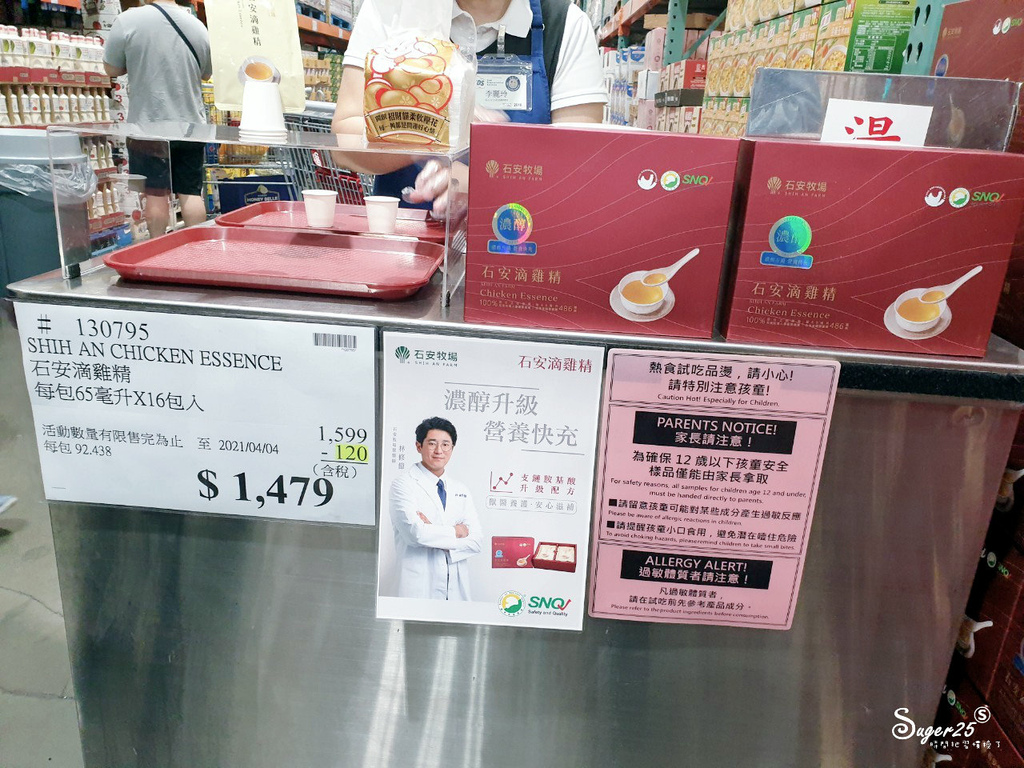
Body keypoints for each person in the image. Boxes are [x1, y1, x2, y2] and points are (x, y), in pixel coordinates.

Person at [332, 0, 608, 212]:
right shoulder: (390, 9)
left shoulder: (565, 24)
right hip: (405, 244)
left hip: (516, 245)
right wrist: (447, 128)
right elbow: (343, 142)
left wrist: (488, 184)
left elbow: (579, 172)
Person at [103, 0, 213, 237]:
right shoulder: (197, 26)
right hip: (191, 127)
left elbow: (111, 69)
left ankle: (157, 248)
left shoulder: (128, 20)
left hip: (148, 126)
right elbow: (206, 73)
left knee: (155, 194)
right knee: (191, 192)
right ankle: (200, 247)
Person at [388, 417, 483, 600]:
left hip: (455, 589)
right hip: (418, 589)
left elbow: (476, 542)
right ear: (419, 446)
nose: (439, 451)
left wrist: (432, 530)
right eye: (432, 443)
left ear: (452, 448)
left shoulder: (461, 489)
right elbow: (415, 534)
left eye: (446, 445)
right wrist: (456, 532)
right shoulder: (403, 485)